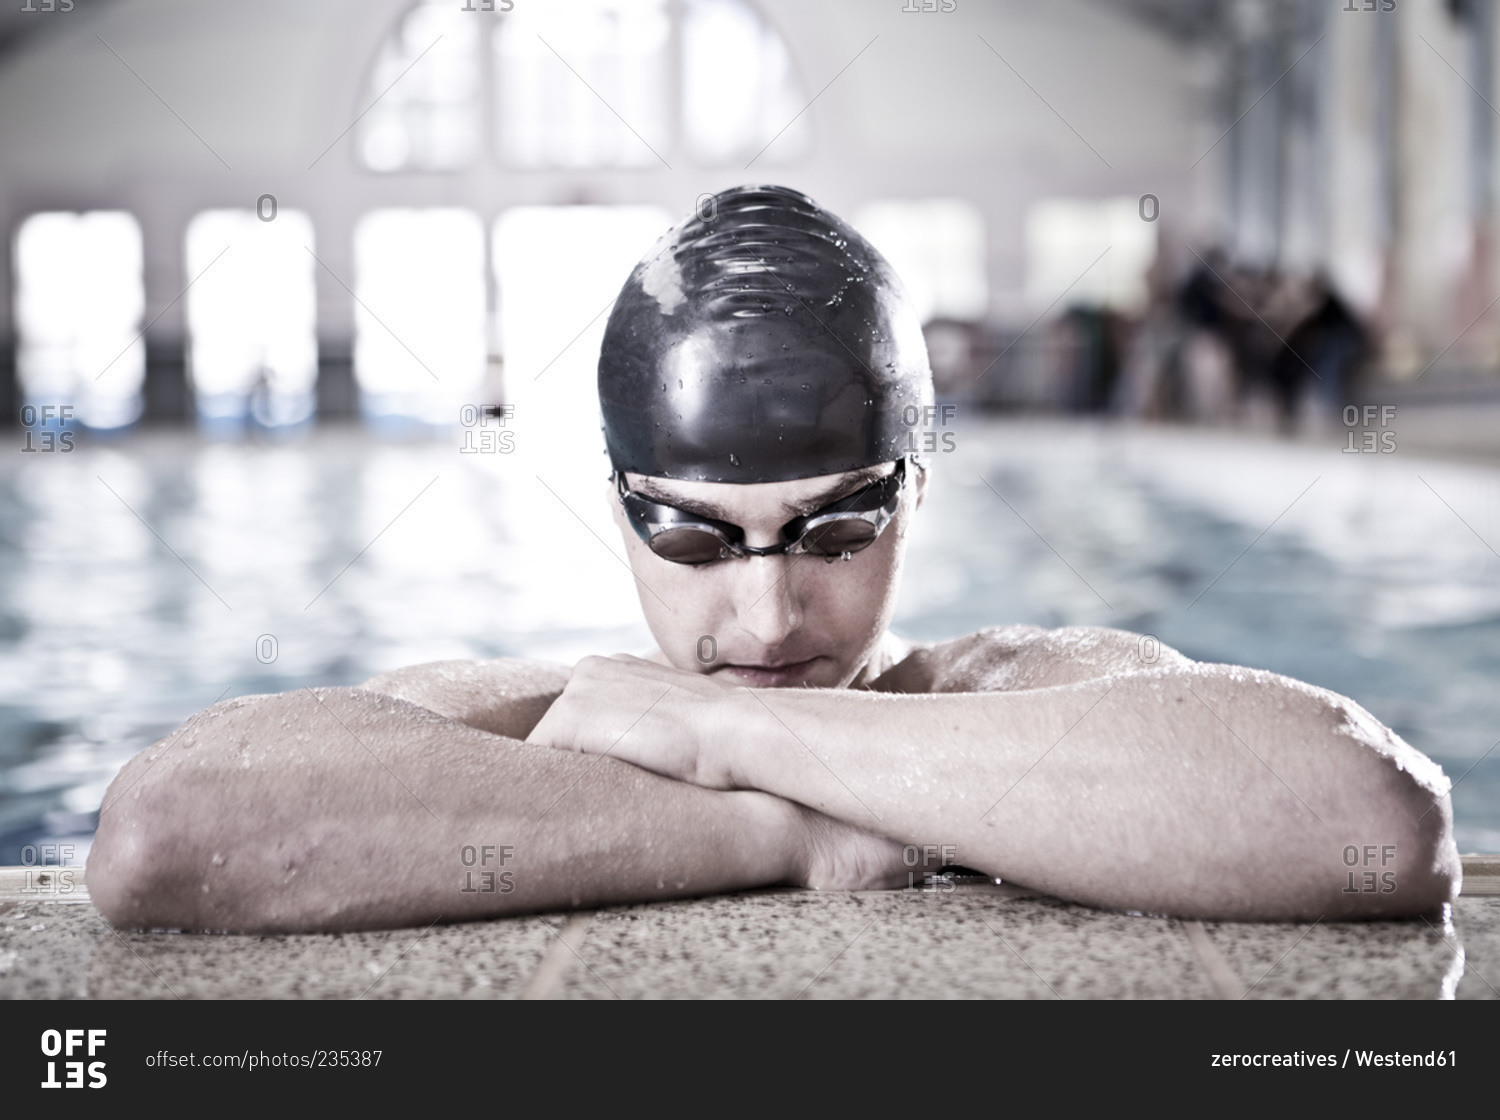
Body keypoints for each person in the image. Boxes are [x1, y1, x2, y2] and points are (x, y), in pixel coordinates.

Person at [88, 185, 1460, 933]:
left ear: (916, 494)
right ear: (619, 506)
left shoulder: (1006, 684)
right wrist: (786, 826)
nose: (766, 611)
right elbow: (163, 837)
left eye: (838, 527)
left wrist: (710, 730)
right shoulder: (530, 707)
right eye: (690, 532)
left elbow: (1372, 824)